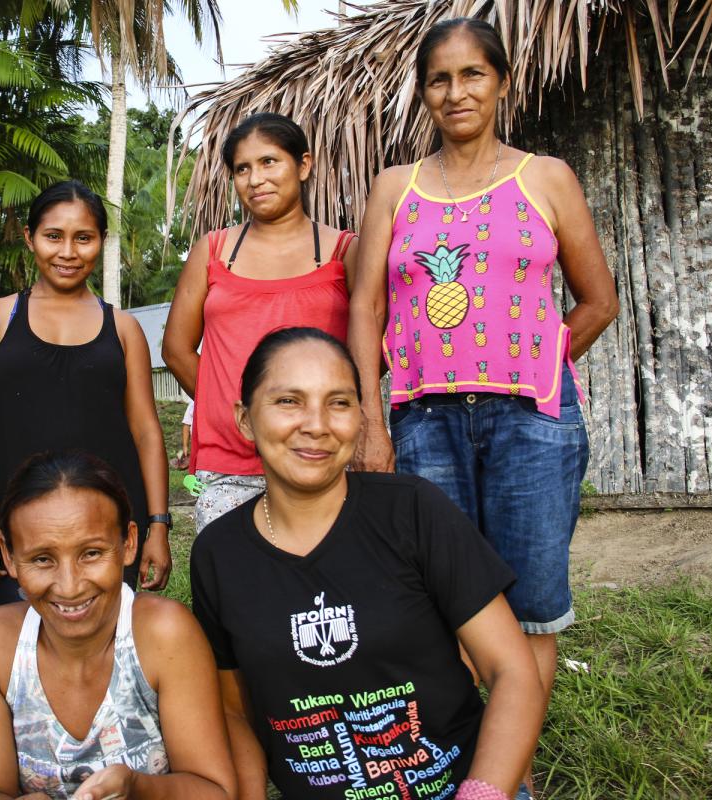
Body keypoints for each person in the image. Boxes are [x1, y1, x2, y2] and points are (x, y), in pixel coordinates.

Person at [348, 17, 619, 792]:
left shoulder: (546, 178)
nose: (456, 91)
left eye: (473, 74)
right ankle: (466, 764)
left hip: (533, 423)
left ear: (501, 82)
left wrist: (538, 365)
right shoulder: (395, 188)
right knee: (446, 607)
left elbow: (598, 301)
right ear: (423, 93)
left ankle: (506, 784)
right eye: (440, 78)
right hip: (423, 422)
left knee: (529, 608)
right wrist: (371, 419)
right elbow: (365, 309)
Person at [191, 327, 546, 800]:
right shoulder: (219, 554)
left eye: (338, 403)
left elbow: (512, 671)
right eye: (289, 401)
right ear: (245, 419)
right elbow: (234, 712)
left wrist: (483, 793)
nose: (316, 425)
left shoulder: (413, 510)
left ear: (360, 417)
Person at [0, 451, 238, 800]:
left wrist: (137, 788)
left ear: (129, 543)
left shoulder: (165, 635)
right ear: (9, 557)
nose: (69, 586)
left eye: (91, 553)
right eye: (42, 559)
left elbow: (214, 790)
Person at [0, 180, 171, 605]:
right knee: (23, 634)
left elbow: (146, 431)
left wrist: (158, 525)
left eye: (83, 238)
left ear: (101, 241)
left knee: (108, 634)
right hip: (20, 526)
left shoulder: (124, 329)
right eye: (53, 236)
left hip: (108, 524)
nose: (68, 252)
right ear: (29, 237)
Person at [163, 112, 358, 532]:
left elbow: (370, 348)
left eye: (269, 162)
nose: (255, 179)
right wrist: (235, 412)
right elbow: (176, 349)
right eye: (242, 169)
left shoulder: (345, 251)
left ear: (303, 165)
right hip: (230, 465)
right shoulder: (213, 251)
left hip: (321, 456)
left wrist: (327, 411)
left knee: (325, 573)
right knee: (232, 571)